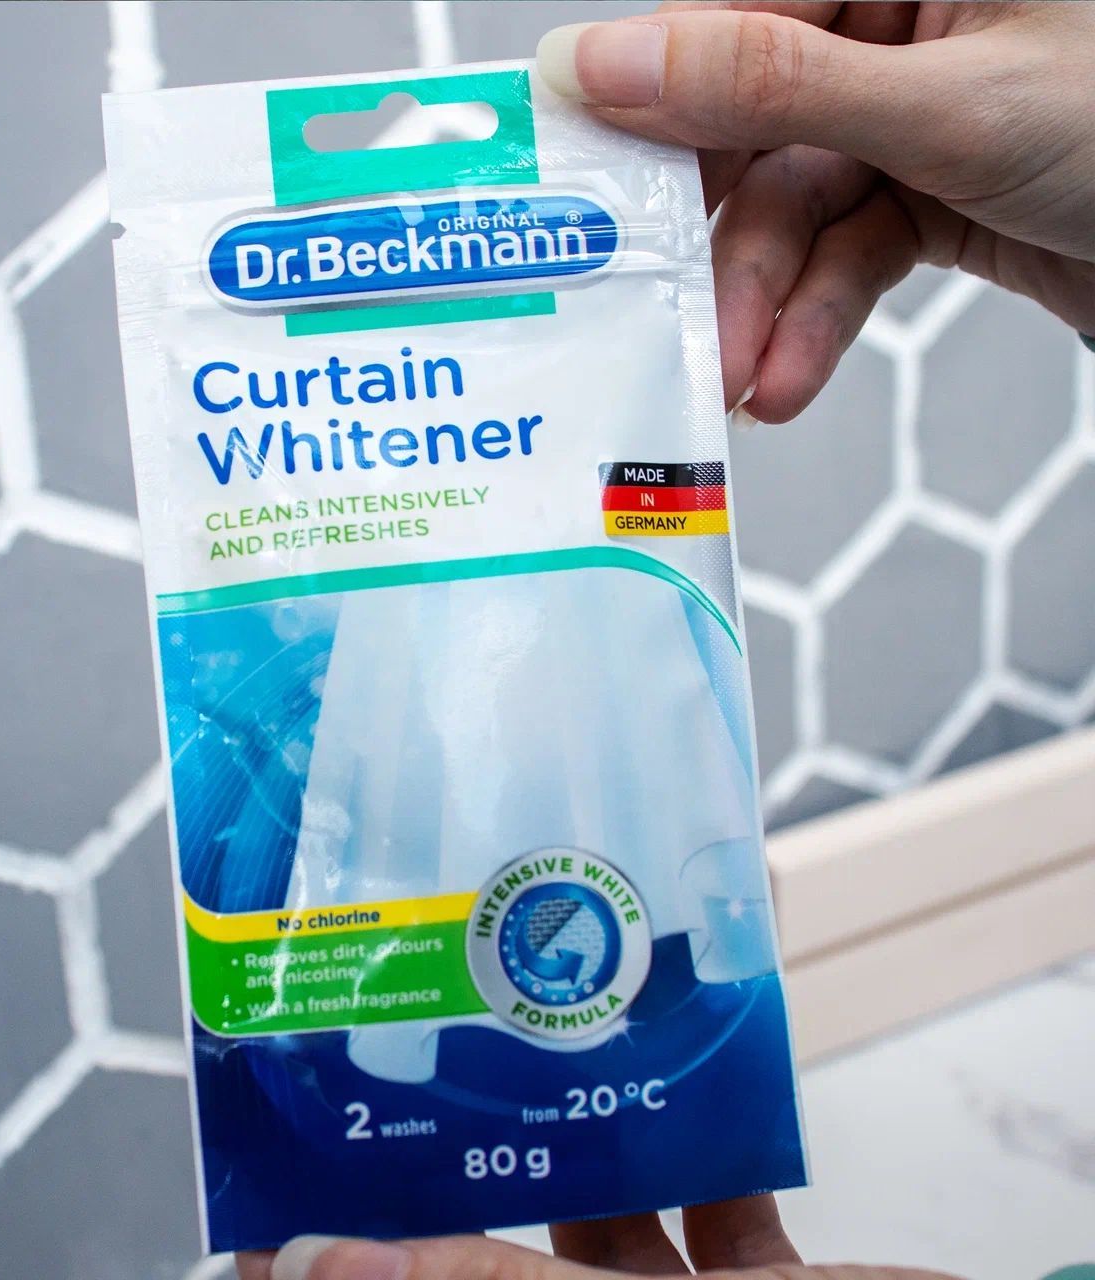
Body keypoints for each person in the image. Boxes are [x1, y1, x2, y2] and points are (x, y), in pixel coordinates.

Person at [238, 5, 1094, 1278]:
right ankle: (430, 1025)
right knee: (446, 771)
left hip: (575, 621)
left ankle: (472, 1019)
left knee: (595, 725)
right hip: (458, 643)